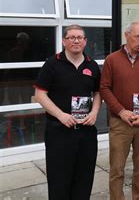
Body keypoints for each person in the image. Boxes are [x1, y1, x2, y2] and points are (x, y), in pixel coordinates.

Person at [34, 25, 101, 200]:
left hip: (86, 133)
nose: (76, 40)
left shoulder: (92, 65)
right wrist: (61, 115)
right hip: (59, 133)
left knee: (84, 180)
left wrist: (94, 112)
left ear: (85, 41)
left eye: (80, 37)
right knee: (59, 182)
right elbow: (40, 95)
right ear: (64, 41)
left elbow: (98, 92)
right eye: (71, 37)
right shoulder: (52, 64)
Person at [100, 22, 139, 200]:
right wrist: (121, 111)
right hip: (120, 122)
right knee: (117, 170)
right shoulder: (112, 59)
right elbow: (104, 88)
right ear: (127, 35)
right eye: (138, 36)